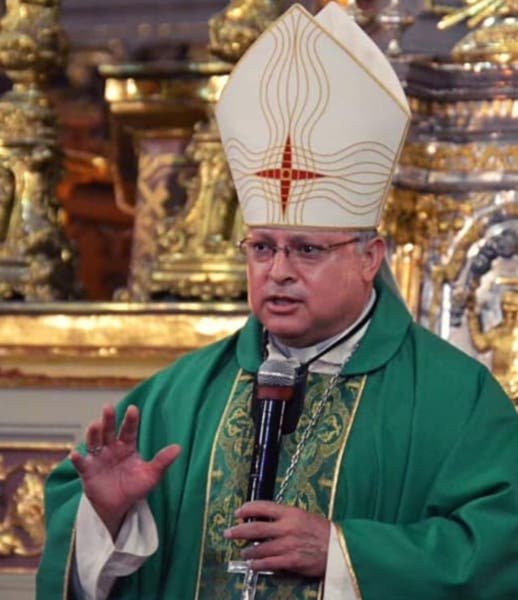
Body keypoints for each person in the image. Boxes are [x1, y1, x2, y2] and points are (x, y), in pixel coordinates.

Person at [37, 3, 518, 599]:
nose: (279, 272)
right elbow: (78, 535)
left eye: (307, 250)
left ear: (370, 257)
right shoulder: (178, 398)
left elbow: (499, 550)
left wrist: (343, 553)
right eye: (262, 247)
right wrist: (107, 517)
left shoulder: (455, 399)